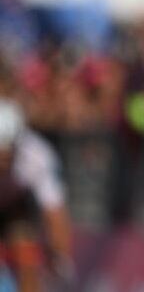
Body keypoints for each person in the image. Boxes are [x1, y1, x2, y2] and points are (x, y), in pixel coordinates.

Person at [0, 101, 74, 291]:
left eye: (8, 153)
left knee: (26, 252)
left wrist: (61, 257)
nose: (4, 160)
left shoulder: (37, 154)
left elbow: (55, 211)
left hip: (15, 209)